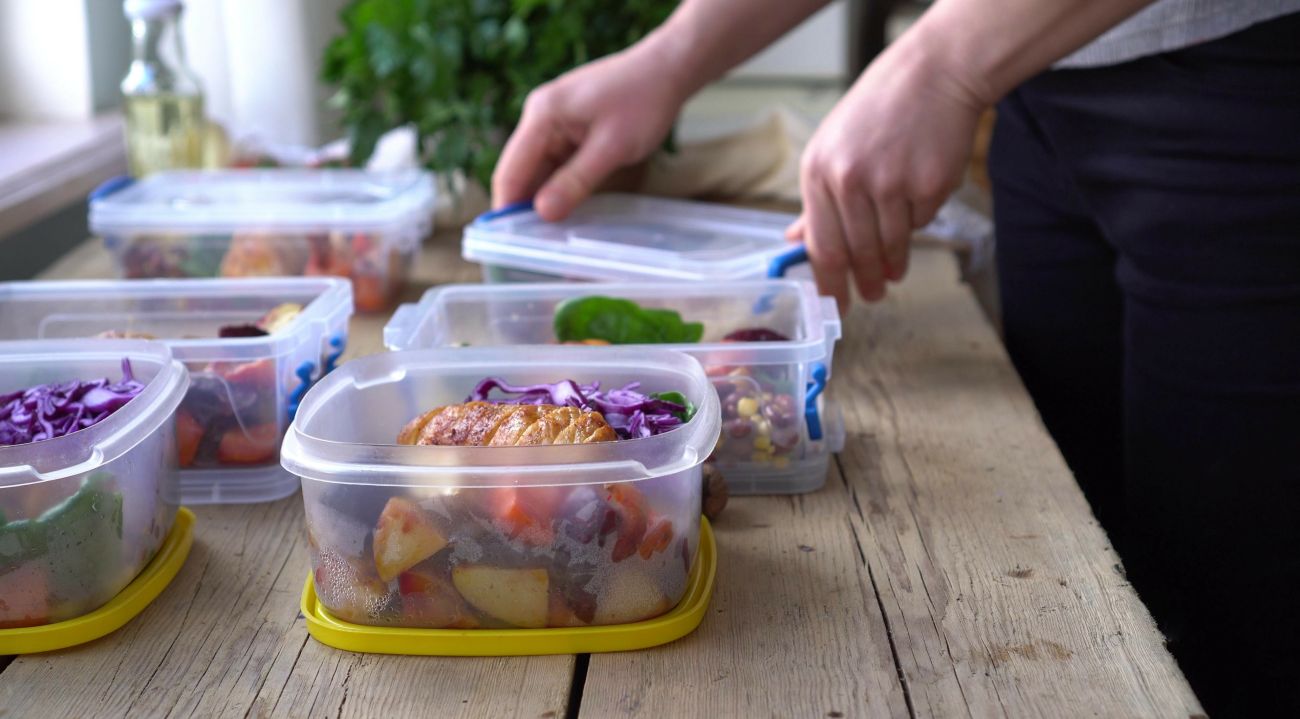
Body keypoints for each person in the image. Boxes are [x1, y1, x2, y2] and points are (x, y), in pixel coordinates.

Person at [492, 0, 1300, 714]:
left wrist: (943, 59)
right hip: (1038, 87)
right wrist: (670, 59)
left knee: (1238, 606)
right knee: (1101, 556)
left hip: (1247, 86)